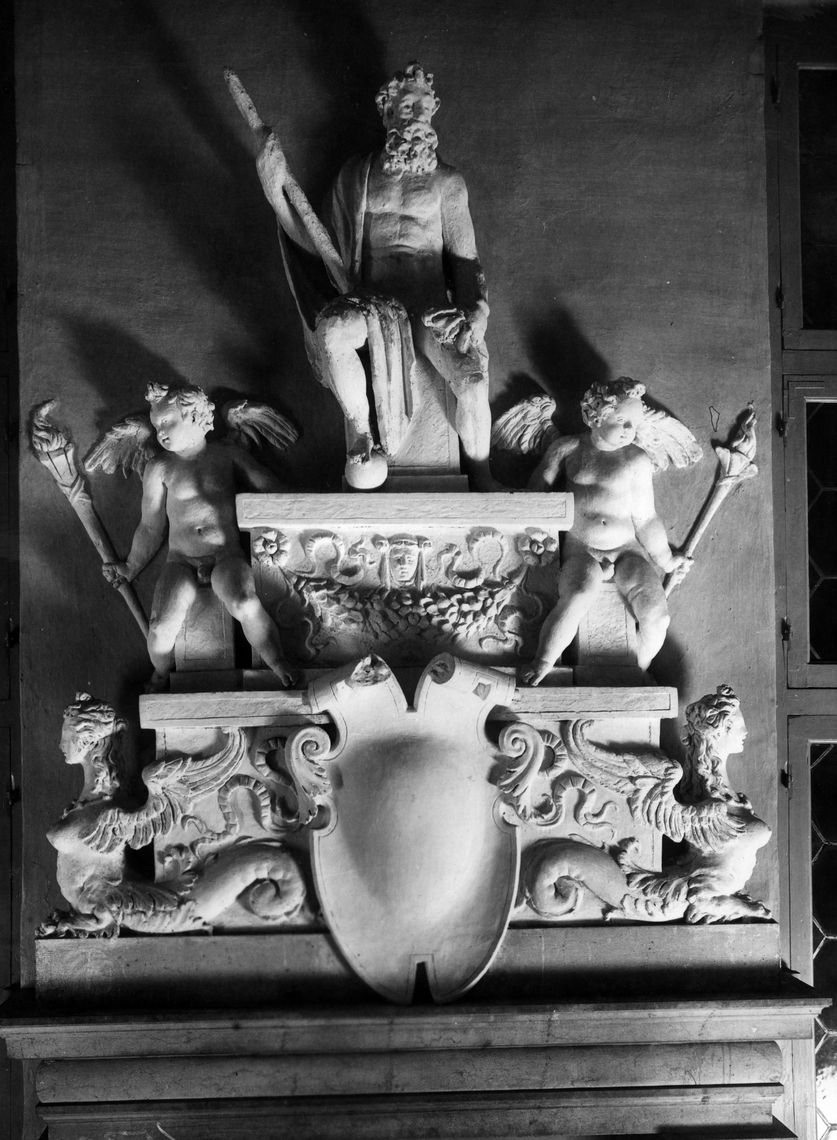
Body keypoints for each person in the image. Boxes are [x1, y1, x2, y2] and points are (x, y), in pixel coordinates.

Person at [256, 62, 498, 490]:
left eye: (422, 107)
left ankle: (482, 475)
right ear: (387, 113)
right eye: (406, 107)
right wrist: (275, 191)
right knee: (333, 332)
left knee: (474, 383)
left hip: (430, 309)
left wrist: (477, 312)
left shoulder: (448, 183)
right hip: (373, 304)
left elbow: (465, 262)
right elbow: (319, 248)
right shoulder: (356, 176)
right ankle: (362, 433)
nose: (416, 116)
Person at [103, 383, 295, 691]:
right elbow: (150, 527)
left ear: (194, 416)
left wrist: (299, 506)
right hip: (180, 560)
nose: (160, 433)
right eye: (156, 426)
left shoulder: (226, 455)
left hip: (225, 555)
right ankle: (161, 673)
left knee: (245, 602)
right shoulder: (159, 467)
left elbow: (269, 487)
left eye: (167, 422)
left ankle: (277, 660)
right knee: (160, 628)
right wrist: (131, 566)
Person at [521, 378, 691, 682]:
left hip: (627, 550)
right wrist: (536, 528)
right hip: (582, 548)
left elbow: (646, 518)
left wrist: (666, 560)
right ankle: (544, 660)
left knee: (657, 616)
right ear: (595, 416)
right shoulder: (569, 448)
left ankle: (639, 668)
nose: (629, 429)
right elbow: (538, 493)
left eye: (634, 424)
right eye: (622, 421)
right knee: (578, 594)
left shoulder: (636, 459)